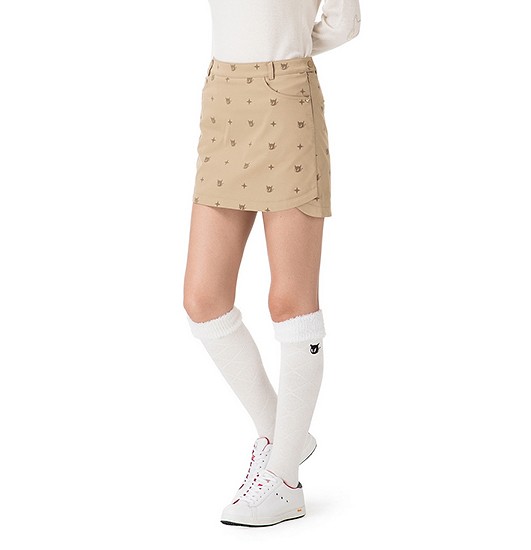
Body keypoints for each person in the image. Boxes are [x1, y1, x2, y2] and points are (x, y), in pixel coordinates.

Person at [183, 0, 361, 527]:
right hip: (222, 93)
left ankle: (284, 481)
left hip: (285, 96)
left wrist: (292, 48)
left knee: (290, 300)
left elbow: (345, 22)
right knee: (203, 298)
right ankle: (287, 435)